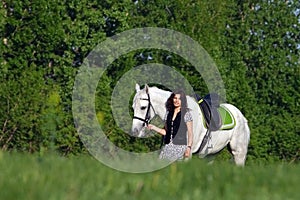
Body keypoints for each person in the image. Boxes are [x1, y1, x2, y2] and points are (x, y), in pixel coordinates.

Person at [147, 89, 193, 161]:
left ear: (182, 101)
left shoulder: (186, 114)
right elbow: (165, 132)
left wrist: (189, 147)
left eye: (179, 99)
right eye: (175, 98)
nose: (176, 100)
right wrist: (153, 127)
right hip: (167, 147)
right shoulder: (168, 113)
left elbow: (190, 133)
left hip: (180, 148)